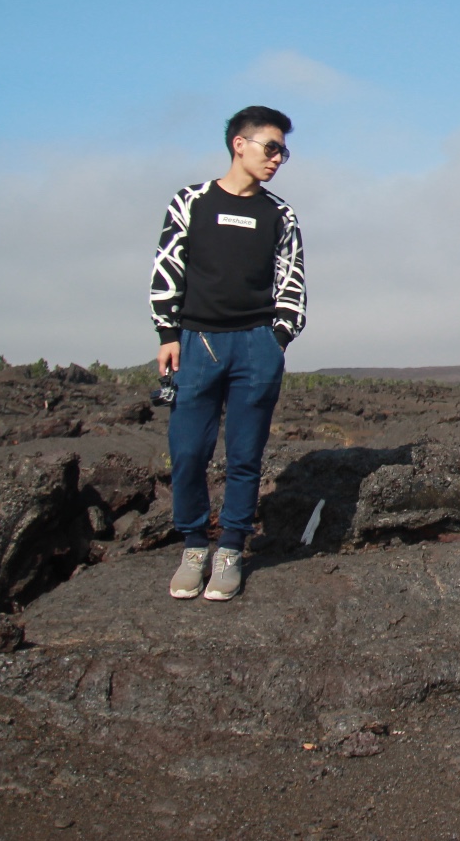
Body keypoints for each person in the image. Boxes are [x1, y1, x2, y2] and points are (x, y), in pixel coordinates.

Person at [149, 105, 307, 601]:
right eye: (271, 147)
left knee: (244, 456)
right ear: (240, 144)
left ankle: (232, 549)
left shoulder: (281, 214)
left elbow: (292, 282)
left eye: (283, 151)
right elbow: (167, 266)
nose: (278, 158)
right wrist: (167, 334)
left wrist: (275, 339)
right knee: (189, 451)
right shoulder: (190, 201)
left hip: (256, 346)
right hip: (197, 345)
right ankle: (195, 546)